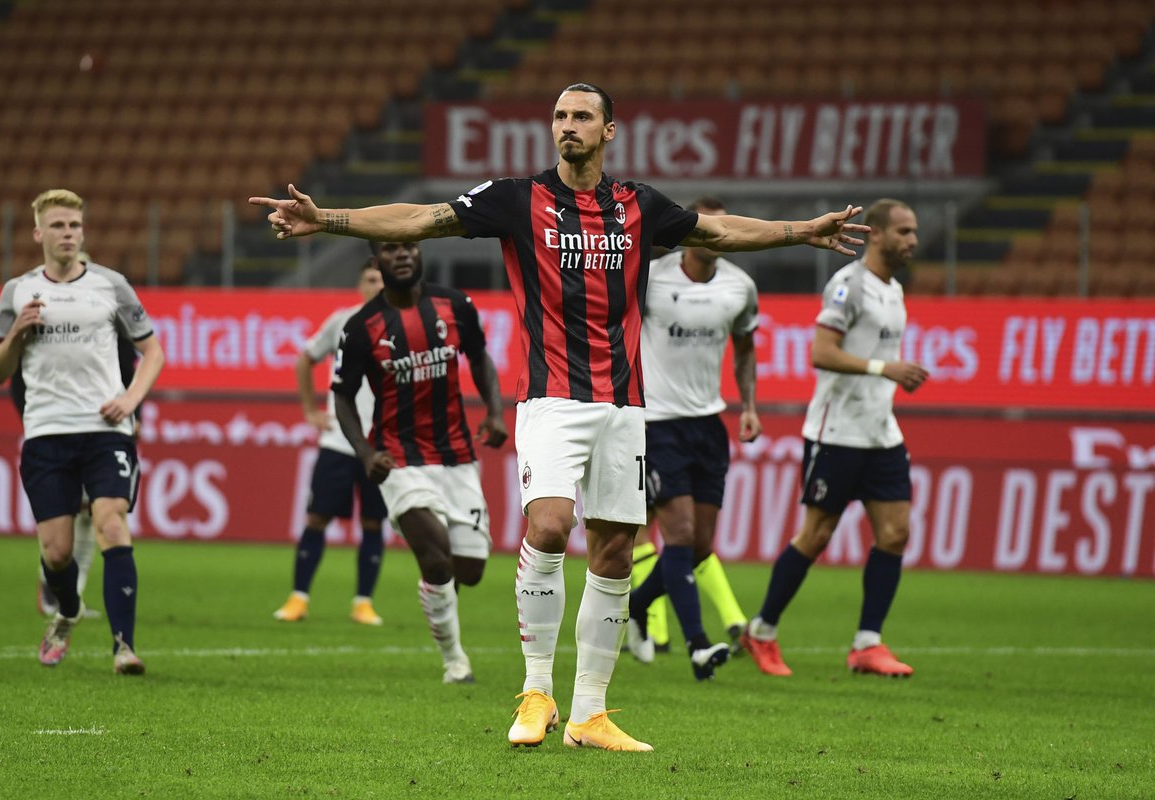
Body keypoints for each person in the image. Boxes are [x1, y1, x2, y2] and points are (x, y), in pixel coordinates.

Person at [250, 82, 868, 751]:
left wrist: (801, 232)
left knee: (611, 553)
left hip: (625, 406)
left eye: (581, 117)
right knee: (549, 526)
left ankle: (589, 716)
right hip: (550, 401)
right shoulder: (517, 199)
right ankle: (537, 690)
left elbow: (717, 231)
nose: (567, 126)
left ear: (609, 131)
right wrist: (331, 220)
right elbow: (422, 219)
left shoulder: (639, 206)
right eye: (559, 116)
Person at [738, 198, 928, 679]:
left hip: (881, 432)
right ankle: (761, 631)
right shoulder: (849, 286)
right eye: (904, 231)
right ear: (877, 235)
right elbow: (822, 352)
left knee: (895, 533)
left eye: (914, 232)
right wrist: (885, 368)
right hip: (837, 433)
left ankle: (868, 643)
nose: (913, 240)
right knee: (816, 535)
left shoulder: (895, 291)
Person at [0, 189, 165, 674]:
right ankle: (66, 612)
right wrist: (19, 332)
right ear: (39, 233)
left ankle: (124, 645)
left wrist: (130, 400)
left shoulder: (111, 286)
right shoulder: (18, 291)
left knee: (111, 522)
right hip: (46, 433)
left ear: (83, 232)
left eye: (75, 226)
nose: (69, 233)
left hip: (106, 430)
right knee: (58, 551)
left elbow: (153, 352)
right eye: (59, 226)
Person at [330, 240, 508, 684]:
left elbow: (480, 357)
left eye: (409, 245)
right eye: (391, 249)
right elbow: (343, 396)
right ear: (377, 260)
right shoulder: (361, 327)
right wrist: (366, 452)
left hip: (456, 455)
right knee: (436, 557)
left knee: (471, 569)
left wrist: (496, 410)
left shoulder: (455, 305)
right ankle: (455, 661)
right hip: (399, 458)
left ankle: (435, 591)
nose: (403, 254)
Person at [625, 196, 761, 681]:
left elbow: (744, 348)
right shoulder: (652, 278)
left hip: (709, 424)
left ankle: (637, 609)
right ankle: (698, 645)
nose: (720, 235)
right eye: (711, 227)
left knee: (699, 545)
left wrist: (748, 405)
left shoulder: (740, 286)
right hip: (657, 422)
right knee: (678, 534)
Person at [273, 258, 390, 625]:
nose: (377, 286)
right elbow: (305, 360)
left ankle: (363, 602)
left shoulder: (404, 325)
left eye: (383, 280)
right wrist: (310, 410)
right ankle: (298, 598)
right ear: (361, 284)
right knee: (317, 516)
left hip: (380, 444)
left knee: (373, 522)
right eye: (371, 278)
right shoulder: (342, 321)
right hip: (339, 440)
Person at [18, 316, 141, 620]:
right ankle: (53, 585)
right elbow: (17, 378)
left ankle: (71, 597)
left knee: (94, 516)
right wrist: (34, 417)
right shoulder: (53, 332)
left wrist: (133, 415)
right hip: (57, 432)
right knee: (64, 520)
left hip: (106, 435)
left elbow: (131, 377)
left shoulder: (117, 334)